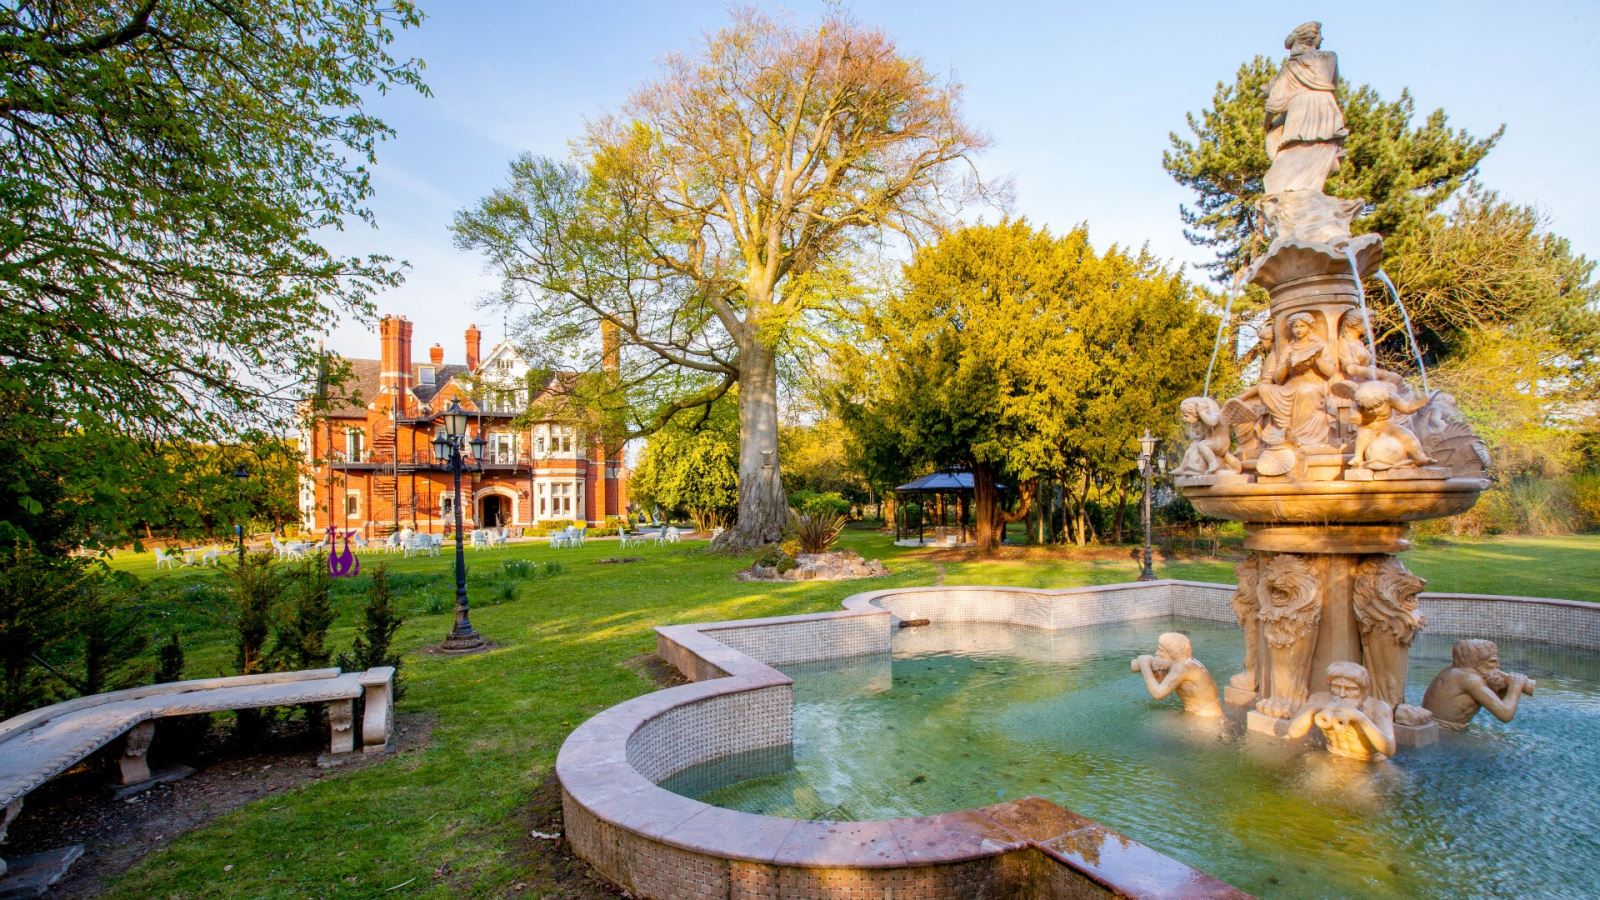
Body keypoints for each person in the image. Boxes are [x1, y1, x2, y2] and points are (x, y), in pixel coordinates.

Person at [1264, 21, 1347, 195]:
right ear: (1312, 37)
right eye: (1320, 35)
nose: (1322, 38)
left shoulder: (1291, 67)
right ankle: (1306, 200)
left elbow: (1274, 102)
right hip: (1326, 108)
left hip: (1300, 111)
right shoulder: (1330, 57)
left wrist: (1266, 124)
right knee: (1319, 152)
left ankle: (1299, 200)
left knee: (1295, 155)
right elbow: (1333, 85)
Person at [1288, 662, 1396, 761]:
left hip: (1368, 761)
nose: (1342, 694)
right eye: (1336, 687)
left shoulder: (1378, 708)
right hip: (1333, 755)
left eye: (1350, 689)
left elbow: (1389, 750)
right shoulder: (1319, 699)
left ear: (1363, 691)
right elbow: (1293, 733)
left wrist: (1361, 718)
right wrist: (1313, 709)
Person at [1420, 639, 1535, 731]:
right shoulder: (1469, 679)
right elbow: (1505, 715)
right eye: (1492, 662)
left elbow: (1493, 703)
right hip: (1443, 732)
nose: (1498, 666)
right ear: (1476, 662)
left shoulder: (1457, 672)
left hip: (1437, 727)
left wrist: (1502, 688)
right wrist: (1515, 687)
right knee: (1505, 748)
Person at [1131, 632, 1222, 717]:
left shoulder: (1182, 668)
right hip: (1204, 713)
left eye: (1161, 650)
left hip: (1204, 717)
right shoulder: (1186, 663)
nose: (1156, 653)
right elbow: (1163, 686)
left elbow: (1158, 694)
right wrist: (1155, 672)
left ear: (1173, 653)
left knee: (1152, 721)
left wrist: (1144, 664)